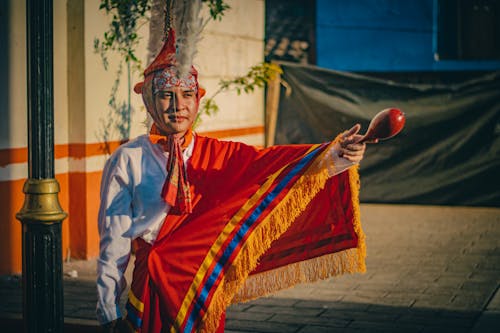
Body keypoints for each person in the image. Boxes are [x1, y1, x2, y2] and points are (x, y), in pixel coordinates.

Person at [96, 29, 370, 333]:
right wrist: (108, 309)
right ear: (149, 101)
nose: (178, 105)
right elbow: (114, 240)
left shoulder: (220, 155)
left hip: (202, 287)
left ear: (198, 101)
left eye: (187, 95)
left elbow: (272, 166)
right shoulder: (128, 159)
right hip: (148, 291)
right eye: (166, 95)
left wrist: (337, 153)